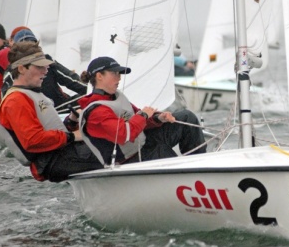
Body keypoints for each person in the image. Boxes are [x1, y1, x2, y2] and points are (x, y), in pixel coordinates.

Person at [0, 41, 103, 182]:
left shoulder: (31, 94)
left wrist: (71, 121)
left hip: (62, 154)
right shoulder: (16, 100)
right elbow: (33, 140)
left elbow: (51, 131)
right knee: (117, 147)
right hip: (53, 161)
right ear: (22, 68)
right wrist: (72, 136)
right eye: (39, 66)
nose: (46, 70)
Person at [78, 56, 206, 165]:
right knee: (161, 150)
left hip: (143, 144)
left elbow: (138, 118)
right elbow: (123, 135)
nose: (119, 78)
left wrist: (158, 118)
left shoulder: (116, 96)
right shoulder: (96, 111)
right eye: (114, 73)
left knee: (186, 117)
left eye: (119, 74)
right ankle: (189, 178)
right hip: (127, 160)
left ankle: (200, 164)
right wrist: (144, 115)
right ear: (99, 76)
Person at [2, 28, 87, 112]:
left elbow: (71, 80)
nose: (45, 71)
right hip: (40, 112)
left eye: (33, 44)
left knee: (90, 98)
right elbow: (9, 106)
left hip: (56, 107)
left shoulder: (48, 61)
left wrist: (92, 90)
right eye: (38, 67)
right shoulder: (11, 75)